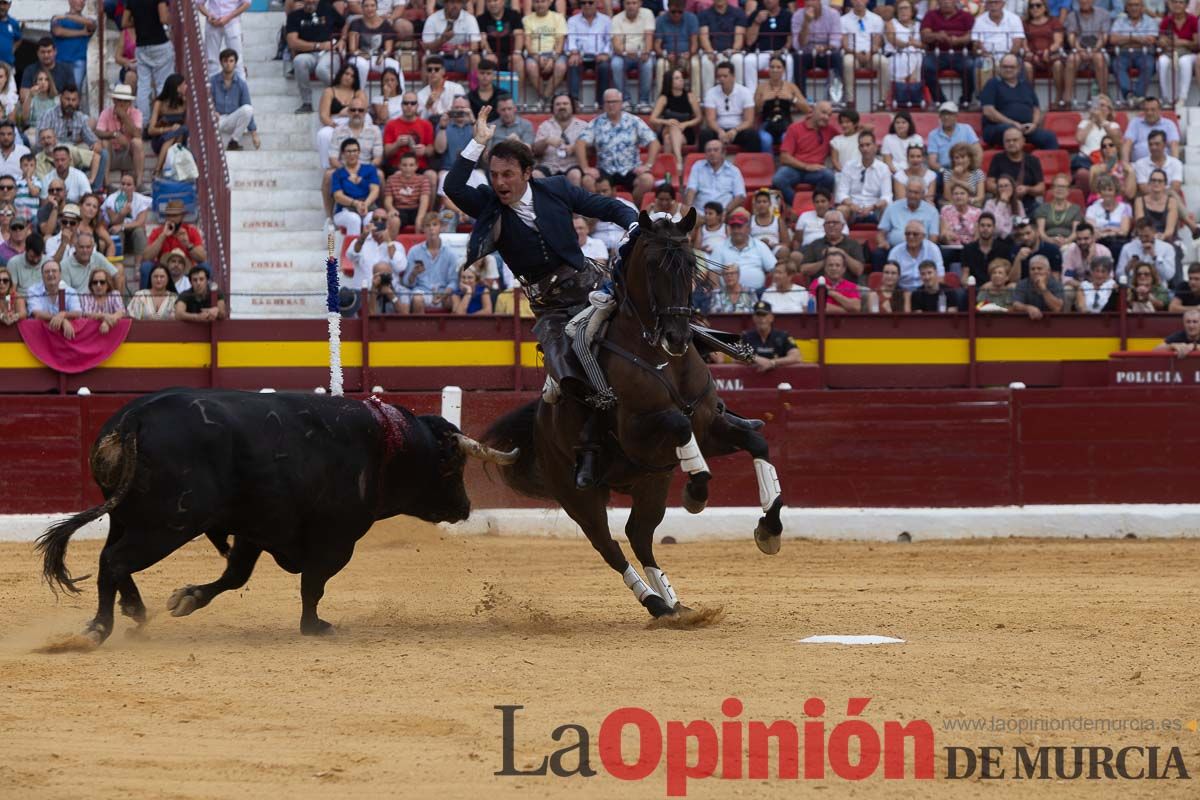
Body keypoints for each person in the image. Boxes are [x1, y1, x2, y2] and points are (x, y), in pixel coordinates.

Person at [444, 107, 642, 486]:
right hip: (550, 307)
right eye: (495, 175)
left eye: (507, 175)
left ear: (527, 173)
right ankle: (587, 447)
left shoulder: (556, 189)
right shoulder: (488, 205)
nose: (500, 182)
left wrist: (632, 222)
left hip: (590, 289)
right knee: (562, 367)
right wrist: (477, 143)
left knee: (652, 319)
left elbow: (604, 206)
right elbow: (453, 188)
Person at [575, 89, 659, 207]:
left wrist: (648, 165)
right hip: (605, 170)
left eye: (614, 102)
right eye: (608, 102)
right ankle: (599, 213)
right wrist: (585, 168)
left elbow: (654, 142)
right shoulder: (597, 122)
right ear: (604, 104)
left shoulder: (634, 121)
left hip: (631, 169)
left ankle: (631, 210)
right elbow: (580, 143)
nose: (611, 105)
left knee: (647, 180)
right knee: (587, 180)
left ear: (621, 103)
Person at [979, 53, 1057, 150]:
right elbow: (988, 111)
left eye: (1012, 67)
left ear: (1018, 68)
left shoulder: (1025, 85)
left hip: (1025, 129)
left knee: (1049, 138)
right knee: (1011, 132)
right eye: (1005, 67)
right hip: (997, 128)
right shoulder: (992, 84)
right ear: (999, 68)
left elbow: (1036, 108)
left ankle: (1044, 165)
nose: (1008, 70)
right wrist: (1012, 123)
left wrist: (1034, 124)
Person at [37, 82, 106, 191]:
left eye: (74, 100)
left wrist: (95, 144)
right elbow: (40, 141)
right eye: (67, 99)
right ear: (60, 99)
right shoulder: (49, 115)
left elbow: (92, 140)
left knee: (103, 154)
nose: (70, 103)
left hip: (74, 155)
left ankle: (94, 189)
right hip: (54, 154)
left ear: (78, 101)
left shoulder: (80, 117)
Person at [772, 100, 838, 202]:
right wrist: (806, 166)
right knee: (778, 179)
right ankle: (799, 203)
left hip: (816, 171)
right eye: (823, 113)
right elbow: (784, 157)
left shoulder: (830, 130)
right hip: (795, 168)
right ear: (812, 111)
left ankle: (815, 203)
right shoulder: (795, 128)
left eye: (829, 115)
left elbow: (848, 135)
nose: (826, 117)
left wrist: (861, 128)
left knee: (829, 176)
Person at [286, 0, 343, 115]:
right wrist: (319, 45)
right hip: (309, 54)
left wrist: (343, 40)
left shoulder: (327, 8)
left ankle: (341, 95)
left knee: (321, 70)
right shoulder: (294, 15)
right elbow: (292, 42)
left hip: (329, 52)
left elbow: (345, 24)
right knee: (299, 61)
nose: (311, 1)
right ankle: (307, 103)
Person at [140, 199, 208, 289]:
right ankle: (145, 299)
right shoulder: (158, 232)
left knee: (206, 267)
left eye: (175, 215)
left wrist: (188, 244)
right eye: (169, 215)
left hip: (186, 270)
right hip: (163, 270)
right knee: (146, 267)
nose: (171, 219)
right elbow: (146, 257)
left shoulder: (191, 231)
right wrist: (163, 236)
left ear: (182, 216)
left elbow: (203, 257)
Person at [921, 0, 976, 107]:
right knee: (927, 66)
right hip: (937, 53)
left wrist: (959, 40)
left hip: (960, 53)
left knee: (969, 67)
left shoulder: (966, 16)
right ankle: (941, 102)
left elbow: (972, 35)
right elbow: (924, 35)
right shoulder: (931, 15)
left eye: (949, 1)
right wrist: (937, 36)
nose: (946, 3)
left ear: (955, 2)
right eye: (943, 1)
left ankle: (965, 100)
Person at [649, 68, 701, 178]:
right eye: (677, 78)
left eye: (682, 78)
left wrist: (686, 124)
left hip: (686, 133)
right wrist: (666, 121)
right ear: (669, 82)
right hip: (667, 129)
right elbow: (653, 119)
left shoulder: (690, 96)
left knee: (668, 140)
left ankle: (668, 171)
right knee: (673, 126)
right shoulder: (664, 98)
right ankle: (679, 160)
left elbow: (699, 118)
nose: (681, 80)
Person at [698, 61, 759, 152]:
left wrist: (735, 130)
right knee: (704, 134)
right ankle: (703, 164)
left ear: (733, 77)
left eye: (725, 76)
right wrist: (719, 131)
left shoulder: (745, 92)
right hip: (718, 130)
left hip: (738, 130)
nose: (721, 79)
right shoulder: (711, 93)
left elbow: (749, 120)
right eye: (719, 76)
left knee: (752, 135)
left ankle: (750, 164)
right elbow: (710, 120)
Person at [836, 130, 893, 225]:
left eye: (868, 145)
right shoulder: (849, 166)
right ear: (859, 148)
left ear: (875, 147)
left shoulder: (883, 168)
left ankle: (882, 238)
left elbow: (887, 196)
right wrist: (852, 206)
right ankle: (843, 239)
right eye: (862, 146)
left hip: (875, 209)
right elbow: (842, 193)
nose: (865, 149)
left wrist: (872, 207)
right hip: (853, 209)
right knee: (841, 210)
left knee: (888, 208)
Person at [94, 83, 145, 188]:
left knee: (137, 143)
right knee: (104, 142)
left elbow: (137, 134)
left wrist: (124, 116)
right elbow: (98, 132)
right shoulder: (106, 112)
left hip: (129, 155)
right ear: (114, 101)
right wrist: (114, 134)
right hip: (111, 155)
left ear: (130, 102)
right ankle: (107, 183)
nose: (122, 103)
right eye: (119, 100)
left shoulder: (136, 113)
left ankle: (139, 183)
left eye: (125, 101)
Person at [712, 207, 775, 291]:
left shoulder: (760, 246)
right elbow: (713, 272)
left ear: (748, 228)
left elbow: (774, 269)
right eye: (733, 227)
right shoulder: (719, 247)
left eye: (739, 227)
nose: (736, 230)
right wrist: (717, 293)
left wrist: (770, 290)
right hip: (727, 294)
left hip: (757, 293)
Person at [986, 128, 1045, 216]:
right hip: (1003, 206)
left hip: (1028, 206)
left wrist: (1027, 189)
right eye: (1008, 141)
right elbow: (989, 184)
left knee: (1043, 214)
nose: (1011, 143)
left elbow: (1041, 188)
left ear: (1023, 141)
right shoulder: (997, 159)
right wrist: (1005, 190)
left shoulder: (1033, 160)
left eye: (1015, 140)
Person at [1110, 0, 1159, 106]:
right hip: (1123, 53)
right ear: (1126, 8)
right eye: (1131, 5)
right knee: (1116, 64)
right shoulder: (1119, 21)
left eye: (1137, 5)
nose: (1134, 8)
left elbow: (1150, 41)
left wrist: (1126, 39)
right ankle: (1129, 95)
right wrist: (1138, 39)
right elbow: (1113, 39)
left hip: (1143, 53)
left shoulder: (1150, 21)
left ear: (1142, 7)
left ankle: (1139, 96)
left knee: (1149, 65)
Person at [755, 55, 808, 153]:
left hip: (786, 124)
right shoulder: (761, 87)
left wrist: (792, 99)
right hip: (767, 124)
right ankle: (767, 166)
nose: (775, 70)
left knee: (786, 138)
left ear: (783, 70)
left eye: (778, 67)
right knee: (765, 139)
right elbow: (755, 111)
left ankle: (787, 166)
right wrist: (762, 101)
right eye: (772, 67)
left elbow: (807, 109)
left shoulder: (790, 86)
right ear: (769, 69)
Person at [791, 0, 842, 101]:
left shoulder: (833, 14)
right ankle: (802, 99)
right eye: (807, 2)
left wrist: (824, 48)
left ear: (819, 2)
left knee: (837, 57)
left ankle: (836, 99)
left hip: (826, 52)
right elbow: (798, 45)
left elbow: (836, 42)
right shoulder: (798, 15)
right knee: (797, 58)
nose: (810, 4)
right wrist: (806, 23)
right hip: (807, 52)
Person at [1064, 0, 1112, 107]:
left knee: (1100, 58)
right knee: (1072, 59)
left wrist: (1095, 49)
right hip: (1079, 48)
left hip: (1098, 48)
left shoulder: (1104, 14)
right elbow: (1071, 36)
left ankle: (1103, 96)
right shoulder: (1072, 16)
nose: (1084, 1)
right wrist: (1080, 50)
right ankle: (1067, 98)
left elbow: (1104, 36)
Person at [532, 94, 589, 183]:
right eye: (558, 104)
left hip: (572, 165)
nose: (562, 106)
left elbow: (591, 149)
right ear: (553, 108)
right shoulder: (545, 126)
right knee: (535, 174)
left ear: (572, 106)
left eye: (565, 104)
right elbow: (536, 151)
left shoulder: (582, 126)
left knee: (575, 174)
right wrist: (546, 141)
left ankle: (573, 197)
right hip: (549, 166)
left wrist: (574, 148)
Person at [611, 0, 656, 110]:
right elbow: (616, 45)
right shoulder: (616, 19)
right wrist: (626, 52)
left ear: (640, 3)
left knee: (648, 64)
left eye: (634, 3)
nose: (631, 6)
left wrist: (646, 51)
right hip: (624, 54)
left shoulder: (648, 13)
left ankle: (644, 101)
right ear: (623, 5)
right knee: (616, 64)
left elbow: (649, 37)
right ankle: (625, 100)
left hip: (642, 53)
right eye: (628, 3)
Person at [841, 0, 886, 109]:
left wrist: (870, 53)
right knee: (847, 62)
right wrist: (856, 54)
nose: (858, 2)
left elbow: (877, 42)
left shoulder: (876, 19)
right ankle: (850, 100)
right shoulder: (843, 20)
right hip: (852, 54)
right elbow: (845, 45)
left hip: (871, 54)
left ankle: (882, 100)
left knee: (883, 62)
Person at [331, 138, 380, 236]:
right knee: (354, 219)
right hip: (344, 210)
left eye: (354, 151)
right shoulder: (338, 173)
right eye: (348, 151)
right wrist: (355, 203)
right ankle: (353, 250)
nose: (352, 154)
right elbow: (337, 196)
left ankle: (369, 249)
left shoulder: (369, 169)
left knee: (372, 219)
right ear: (343, 154)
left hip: (367, 206)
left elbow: (375, 190)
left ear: (359, 152)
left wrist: (365, 204)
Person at [523, 0, 568, 108]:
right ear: (533, 4)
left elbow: (560, 42)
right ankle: (547, 99)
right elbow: (527, 43)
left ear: (549, 3)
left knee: (561, 66)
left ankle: (544, 98)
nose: (540, 4)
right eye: (537, 2)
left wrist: (553, 58)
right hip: (534, 54)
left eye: (543, 1)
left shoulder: (558, 18)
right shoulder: (527, 19)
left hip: (554, 53)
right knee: (531, 66)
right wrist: (537, 57)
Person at [565, 0, 612, 104]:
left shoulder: (606, 20)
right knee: (573, 63)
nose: (587, 5)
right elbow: (571, 39)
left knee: (604, 67)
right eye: (583, 3)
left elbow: (609, 40)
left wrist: (605, 53)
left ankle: (602, 103)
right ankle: (574, 102)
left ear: (596, 4)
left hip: (599, 56)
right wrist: (574, 53)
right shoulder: (572, 20)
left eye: (590, 2)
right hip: (580, 55)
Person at [878, 176, 940, 253]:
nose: (912, 195)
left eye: (916, 193)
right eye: (910, 192)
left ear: (923, 194)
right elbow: (881, 233)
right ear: (906, 192)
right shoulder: (892, 208)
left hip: (921, 250)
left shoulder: (932, 211)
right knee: (879, 253)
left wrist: (926, 250)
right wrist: (883, 242)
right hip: (893, 249)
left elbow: (933, 237)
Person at [685, 138, 745, 216]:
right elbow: (691, 189)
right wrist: (689, 208)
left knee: (742, 213)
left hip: (725, 212)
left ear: (724, 153)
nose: (712, 153)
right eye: (709, 150)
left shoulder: (734, 171)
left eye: (716, 150)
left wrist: (725, 211)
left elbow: (740, 195)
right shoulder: (698, 167)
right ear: (705, 154)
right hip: (701, 212)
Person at [799, 209, 867, 280]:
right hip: (820, 288)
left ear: (842, 226)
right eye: (828, 223)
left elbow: (859, 271)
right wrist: (826, 261)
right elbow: (803, 269)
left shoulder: (853, 244)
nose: (831, 225)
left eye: (835, 222)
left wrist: (842, 253)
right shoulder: (815, 244)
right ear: (824, 226)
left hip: (847, 288)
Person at [971, 0, 1025, 87]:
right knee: (979, 63)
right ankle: (982, 97)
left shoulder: (1014, 19)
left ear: (1003, 4)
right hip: (987, 56)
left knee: (1017, 62)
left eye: (996, 2)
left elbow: (1017, 42)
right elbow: (977, 44)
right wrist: (987, 56)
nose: (993, 5)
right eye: (990, 3)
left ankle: (1019, 95)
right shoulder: (979, 20)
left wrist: (1007, 57)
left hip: (1009, 55)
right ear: (986, 5)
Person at [1022, 0, 1066, 107]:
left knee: (1058, 65)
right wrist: (1029, 53)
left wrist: (1048, 51)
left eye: (1038, 5)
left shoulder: (1054, 21)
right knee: (1026, 66)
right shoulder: (1025, 24)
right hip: (1032, 56)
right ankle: (1030, 99)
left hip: (1050, 55)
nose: (1035, 8)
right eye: (1031, 6)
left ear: (1045, 7)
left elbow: (1058, 41)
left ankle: (1059, 98)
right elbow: (1023, 42)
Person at [350, 207, 407, 289]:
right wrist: (363, 237)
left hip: (389, 293)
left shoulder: (397, 246)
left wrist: (389, 241)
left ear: (388, 224)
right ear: (370, 222)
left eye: (383, 220)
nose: (379, 222)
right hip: (365, 292)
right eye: (375, 219)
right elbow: (351, 256)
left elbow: (400, 267)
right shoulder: (360, 242)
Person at [653, 0, 701, 98]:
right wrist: (665, 55)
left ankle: (696, 99)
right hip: (668, 56)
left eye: (680, 12)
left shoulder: (692, 18)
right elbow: (657, 45)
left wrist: (689, 54)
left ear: (684, 9)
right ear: (668, 8)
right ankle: (662, 99)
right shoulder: (660, 20)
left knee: (695, 65)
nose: (676, 14)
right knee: (660, 65)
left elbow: (695, 42)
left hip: (687, 56)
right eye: (673, 12)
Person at [744, 0, 793, 93]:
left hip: (780, 53)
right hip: (761, 53)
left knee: (789, 60)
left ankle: (785, 93)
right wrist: (757, 22)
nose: (768, 0)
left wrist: (782, 50)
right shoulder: (756, 14)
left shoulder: (787, 15)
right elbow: (749, 42)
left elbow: (790, 39)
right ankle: (752, 95)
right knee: (748, 61)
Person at [1155, 0, 1198, 108]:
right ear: (1170, 4)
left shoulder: (1192, 20)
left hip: (1188, 52)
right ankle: (1166, 99)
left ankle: (1182, 98)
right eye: (1175, 2)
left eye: (1181, 2)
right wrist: (1163, 41)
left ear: (1186, 5)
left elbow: (1197, 44)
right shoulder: (1166, 21)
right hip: (1170, 51)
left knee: (1184, 62)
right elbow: (1161, 41)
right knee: (1162, 62)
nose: (1177, 5)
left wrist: (1183, 42)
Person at [422, 0, 481, 75]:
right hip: (439, 57)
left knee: (475, 58)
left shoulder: (470, 18)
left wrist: (460, 49)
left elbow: (475, 46)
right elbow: (426, 47)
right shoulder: (432, 19)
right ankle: (429, 87)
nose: (455, 6)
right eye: (452, 2)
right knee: (425, 59)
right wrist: (442, 40)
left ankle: (474, 86)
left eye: (458, 2)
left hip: (461, 58)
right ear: (445, 4)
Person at [102, 172, 151, 261]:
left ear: (134, 187)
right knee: (117, 233)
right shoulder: (112, 199)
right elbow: (113, 221)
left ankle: (138, 267)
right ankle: (116, 264)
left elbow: (140, 222)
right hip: (117, 233)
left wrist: (122, 226)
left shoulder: (142, 200)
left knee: (139, 231)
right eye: (123, 184)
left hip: (133, 235)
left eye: (128, 185)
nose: (125, 187)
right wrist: (122, 213)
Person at [383, 91, 436, 175]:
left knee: (431, 175)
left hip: (420, 166)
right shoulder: (391, 124)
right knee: (398, 175)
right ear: (401, 105)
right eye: (406, 103)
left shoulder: (426, 125)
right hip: (397, 166)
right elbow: (386, 152)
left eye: (413, 103)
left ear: (417, 106)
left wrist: (424, 150)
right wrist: (397, 144)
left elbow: (431, 150)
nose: (409, 106)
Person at [26, 259, 81, 338]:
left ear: (60, 274)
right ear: (42, 275)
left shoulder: (70, 291)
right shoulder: (33, 290)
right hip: (40, 336)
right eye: (47, 272)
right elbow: (37, 314)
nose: (50, 274)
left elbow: (78, 312)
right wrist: (62, 320)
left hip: (64, 337)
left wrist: (63, 314)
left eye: (54, 271)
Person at [147, 74, 188, 177]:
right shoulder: (159, 103)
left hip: (179, 138)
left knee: (181, 131)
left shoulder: (184, 102)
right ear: (177, 87)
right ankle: (157, 170)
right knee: (173, 134)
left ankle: (172, 168)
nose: (186, 87)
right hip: (161, 139)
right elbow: (150, 130)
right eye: (184, 84)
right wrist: (169, 129)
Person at [885, 0, 924, 106]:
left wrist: (915, 44)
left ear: (912, 11)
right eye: (900, 8)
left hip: (915, 55)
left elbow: (924, 44)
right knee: (909, 54)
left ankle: (911, 89)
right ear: (896, 11)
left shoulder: (919, 25)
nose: (903, 11)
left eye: (906, 8)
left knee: (916, 55)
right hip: (896, 55)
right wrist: (909, 44)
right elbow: (893, 40)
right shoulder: (891, 23)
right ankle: (907, 89)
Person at [741, 300, 802, 370]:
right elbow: (736, 357)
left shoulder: (783, 336)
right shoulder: (746, 336)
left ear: (771, 318)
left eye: (764, 315)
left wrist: (773, 362)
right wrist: (756, 359)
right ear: (753, 318)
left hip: (780, 378)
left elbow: (796, 357)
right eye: (758, 315)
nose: (761, 319)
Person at [1117, 216, 1178, 285]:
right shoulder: (1127, 248)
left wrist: (1155, 257)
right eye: (1140, 236)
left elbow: (1168, 276)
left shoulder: (1167, 248)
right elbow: (1119, 277)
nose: (1143, 239)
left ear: (1154, 232)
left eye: (1146, 236)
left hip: (1158, 289)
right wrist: (1127, 268)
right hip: (1134, 289)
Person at [1073, 95, 1121, 181]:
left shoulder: (1113, 125)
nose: (1099, 108)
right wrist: (1092, 121)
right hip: (1086, 161)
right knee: (1082, 171)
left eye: (1102, 105)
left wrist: (1102, 120)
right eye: (1097, 105)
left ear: (1109, 110)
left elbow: (1116, 141)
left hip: (1106, 160)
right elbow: (1079, 139)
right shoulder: (1084, 123)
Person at [198, 0, 249, 79]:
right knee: (211, 60)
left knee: (237, 60)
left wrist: (229, 17)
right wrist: (208, 15)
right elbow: (199, 4)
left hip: (232, 23)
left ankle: (240, 89)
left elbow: (247, 3)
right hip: (213, 23)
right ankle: (213, 89)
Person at [1121, 97, 1182, 164]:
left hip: (1162, 167)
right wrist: (1125, 164)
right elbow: (1127, 143)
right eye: (1146, 110)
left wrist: (1174, 165)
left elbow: (1174, 145)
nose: (1149, 113)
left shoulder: (1169, 124)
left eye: (1153, 110)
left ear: (1159, 110)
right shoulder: (1135, 123)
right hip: (1138, 166)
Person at [926, 102, 981, 175]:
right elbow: (932, 162)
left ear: (956, 116)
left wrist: (971, 168)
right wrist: (946, 172)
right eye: (943, 114)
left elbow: (978, 151)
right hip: (944, 169)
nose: (946, 117)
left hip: (966, 167)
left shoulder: (966, 129)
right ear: (940, 116)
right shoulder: (933, 134)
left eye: (949, 114)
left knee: (979, 175)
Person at [888, 220, 944, 290]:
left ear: (923, 236)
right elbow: (889, 277)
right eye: (907, 234)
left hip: (926, 291)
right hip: (902, 291)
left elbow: (940, 276)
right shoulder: (895, 251)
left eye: (915, 234)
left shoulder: (933, 249)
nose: (911, 237)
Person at [1085, 175, 1134, 253]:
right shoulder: (1092, 208)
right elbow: (1092, 231)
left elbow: (1124, 232)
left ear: (1116, 191)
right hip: (1098, 242)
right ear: (1100, 192)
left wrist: (1105, 232)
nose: (1106, 193)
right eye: (1104, 189)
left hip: (1118, 242)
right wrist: (1114, 230)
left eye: (1110, 190)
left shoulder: (1125, 208)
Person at [477, 0, 525, 79]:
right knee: (488, 60)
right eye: (489, 2)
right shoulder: (481, 18)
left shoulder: (514, 15)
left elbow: (519, 35)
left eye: (495, 1)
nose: (492, 4)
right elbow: (483, 39)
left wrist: (516, 52)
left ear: (503, 2)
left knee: (518, 60)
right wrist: (489, 53)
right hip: (492, 54)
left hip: (510, 55)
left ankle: (517, 91)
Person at [1134, 169, 1182, 244]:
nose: (1156, 183)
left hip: (1166, 239)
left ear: (1165, 184)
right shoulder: (1139, 201)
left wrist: (1162, 236)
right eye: (1153, 180)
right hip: (1144, 238)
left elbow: (1169, 230)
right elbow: (1141, 225)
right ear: (1149, 183)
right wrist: (1150, 237)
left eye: (1160, 181)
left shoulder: (1172, 202)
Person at [1034, 174, 1082, 248]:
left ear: (1068, 190)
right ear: (1052, 189)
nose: (1060, 189)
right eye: (1057, 186)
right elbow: (1041, 232)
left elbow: (1075, 233)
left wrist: (1065, 241)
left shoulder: (1076, 209)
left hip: (1069, 244)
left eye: (1063, 187)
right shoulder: (1043, 208)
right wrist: (1050, 241)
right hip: (1047, 243)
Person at [1010, 215, 1062, 281]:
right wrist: (1018, 259)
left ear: (1037, 232)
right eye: (1021, 235)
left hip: (1045, 284)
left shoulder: (1052, 250)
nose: (1025, 237)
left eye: (1028, 233)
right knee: (1012, 286)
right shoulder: (1016, 250)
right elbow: (1013, 280)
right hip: (1023, 287)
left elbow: (1055, 278)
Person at [1134, 131, 1185, 196]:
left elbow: (1175, 188)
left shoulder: (1176, 163)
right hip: (1148, 200)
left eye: (1157, 144)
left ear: (1165, 144)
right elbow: (1144, 189)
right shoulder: (1140, 164)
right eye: (1150, 144)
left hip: (1170, 199)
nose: (1153, 147)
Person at [1089, 137, 1138, 201]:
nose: (1107, 147)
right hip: (1098, 200)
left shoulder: (1126, 168)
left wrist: (1131, 172)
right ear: (1102, 150)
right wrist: (1097, 175)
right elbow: (1093, 190)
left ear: (1117, 148)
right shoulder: (1095, 168)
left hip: (1118, 202)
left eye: (1111, 145)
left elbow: (1130, 195)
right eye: (1104, 146)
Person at [79, 267, 125, 333]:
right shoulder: (85, 296)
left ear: (108, 284)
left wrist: (107, 322)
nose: (98, 285)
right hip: (90, 333)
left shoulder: (115, 294)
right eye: (95, 282)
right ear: (91, 285)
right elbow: (87, 313)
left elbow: (121, 312)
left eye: (102, 282)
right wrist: (104, 316)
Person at [940, 141, 986, 207]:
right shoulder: (948, 173)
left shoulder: (978, 173)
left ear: (970, 158)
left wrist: (956, 181)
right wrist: (955, 175)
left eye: (963, 157)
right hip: (953, 206)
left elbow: (980, 197)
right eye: (957, 158)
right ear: (953, 160)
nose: (960, 161)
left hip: (972, 205)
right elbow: (947, 196)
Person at [940, 182, 982, 248]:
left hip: (971, 248)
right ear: (952, 196)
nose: (959, 196)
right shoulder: (946, 210)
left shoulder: (977, 212)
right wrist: (947, 236)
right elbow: (943, 233)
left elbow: (977, 236)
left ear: (969, 196)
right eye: (956, 194)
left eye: (962, 193)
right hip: (952, 247)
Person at [467, 59, 507, 124]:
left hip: (499, 130)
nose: (485, 76)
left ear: (493, 75)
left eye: (488, 73)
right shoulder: (470, 96)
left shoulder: (503, 94)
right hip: (477, 130)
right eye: (482, 73)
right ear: (477, 74)